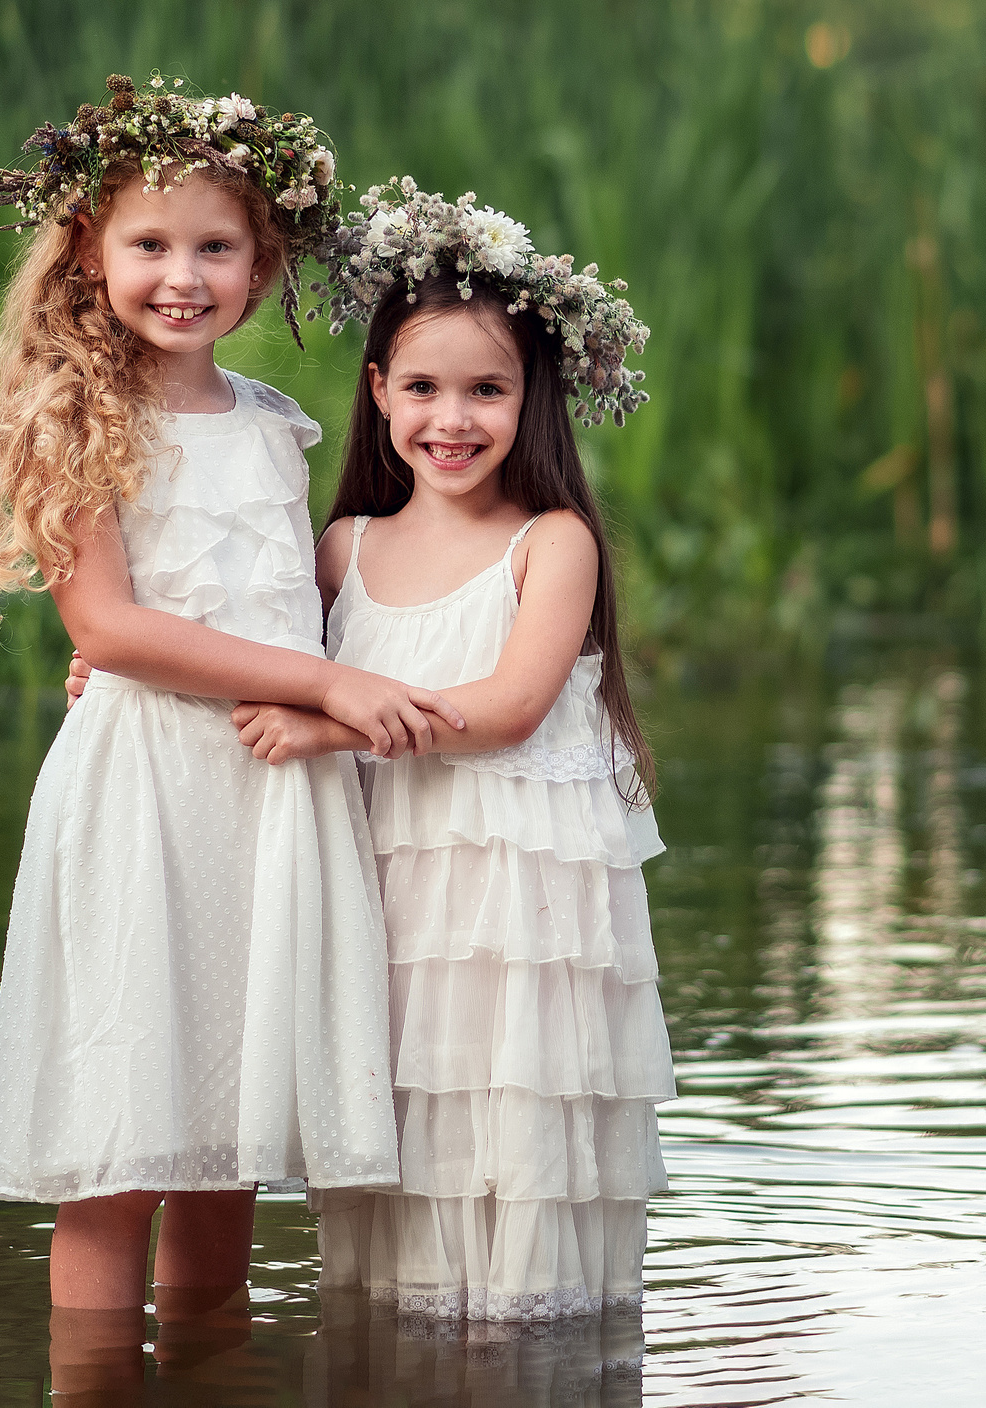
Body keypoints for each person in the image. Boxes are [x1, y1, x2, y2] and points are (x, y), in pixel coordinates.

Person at [0, 77, 465, 1320]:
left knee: (229, 1138)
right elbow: (112, 625)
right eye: (150, 244)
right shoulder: (75, 413)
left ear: (261, 258)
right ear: (90, 251)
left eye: (215, 247)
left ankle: (211, 1372)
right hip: (145, 797)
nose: (183, 275)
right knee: (125, 1138)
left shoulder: (270, 425)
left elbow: (279, 600)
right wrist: (328, 680)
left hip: (270, 797)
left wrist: (353, 681)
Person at [225, 178, 672, 1327]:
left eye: (487, 390)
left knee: (508, 1123)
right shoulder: (343, 550)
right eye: (421, 387)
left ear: (534, 398)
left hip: (516, 915)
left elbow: (513, 707)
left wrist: (332, 721)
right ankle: (396, 1354)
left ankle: (526, 1357)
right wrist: (112, 670)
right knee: (405, 1128)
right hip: (388, 900)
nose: (452, 419)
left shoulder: (550, 543)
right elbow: (236, 649)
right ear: (377, 393)